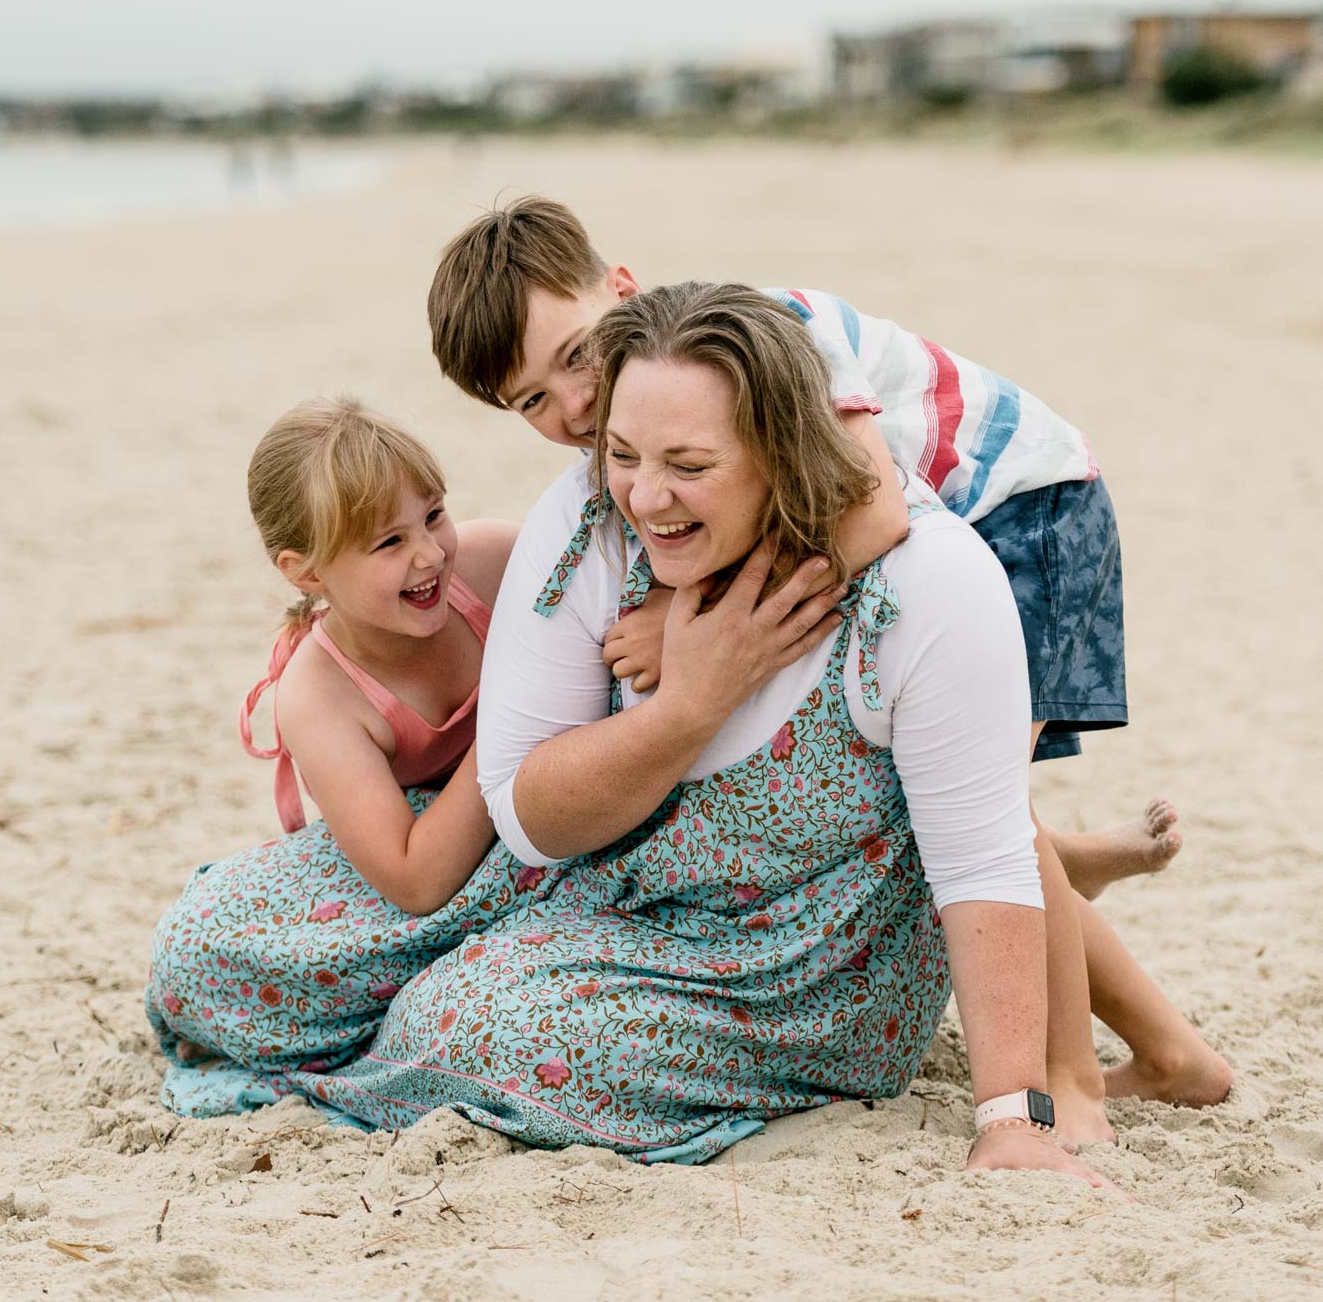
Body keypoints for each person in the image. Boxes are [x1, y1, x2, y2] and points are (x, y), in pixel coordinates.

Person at [425, 198, 1203, 1142]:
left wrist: (684, 617)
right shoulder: (661, 409)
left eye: (578, 357)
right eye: (532, 402)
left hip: (1024, 507)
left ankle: (1066, 1082)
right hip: (979, 515)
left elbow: (873, 515)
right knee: (989, 811)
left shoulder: (772, 341)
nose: (576, 405)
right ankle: (1170, 1050)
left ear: (621, 290)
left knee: (991, 816)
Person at [146, 397, 522, 1107]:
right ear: (307, 572)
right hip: (435, 857)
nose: (429, 554)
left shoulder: (495, 563)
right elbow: (413, 882)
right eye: (389, 543)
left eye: (434, 515)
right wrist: (512, 723)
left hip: (540, 813)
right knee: (197, 946)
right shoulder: (318, 694)